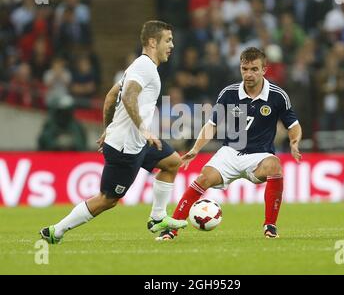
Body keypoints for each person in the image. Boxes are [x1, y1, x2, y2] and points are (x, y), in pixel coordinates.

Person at [40, 20, 188, 244]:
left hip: (136, 141)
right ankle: (56, 230)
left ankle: (158, 218)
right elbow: (128, 96)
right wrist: (142, 129)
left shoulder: (139, 67)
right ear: (151, 42)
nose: (172, 45)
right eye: (167, 40)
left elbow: (111, 97)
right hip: (125, 147)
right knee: (107, 199)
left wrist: (108, 128)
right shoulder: (144, 67)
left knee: (172, 162)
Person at [156, 47, 302, 240]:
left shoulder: (277, 95)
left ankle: (270, 226)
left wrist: (293, 142)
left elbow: (293, 124)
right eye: (245, 69)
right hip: (230, 152)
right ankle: (171, 230)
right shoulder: (229, 93)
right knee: (203, 178)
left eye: (254, 69)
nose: (248, 74)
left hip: (259, 155)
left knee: (274, 165)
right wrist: (195, 149)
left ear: (264, 70)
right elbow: (212, 125)